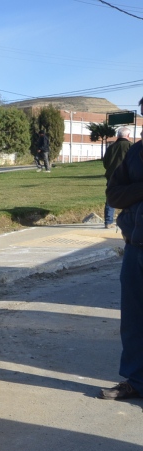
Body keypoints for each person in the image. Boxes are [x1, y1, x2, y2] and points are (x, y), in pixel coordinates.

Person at [102, 99, 143, 401]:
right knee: (133, 319)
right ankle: (136, 381)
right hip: (136, 246)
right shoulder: (136, 153)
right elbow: (114, 194)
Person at [104, 127, 133, 227]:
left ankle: (108, 221)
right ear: (128, 136)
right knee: (129, 199)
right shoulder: (130, 146)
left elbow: (105, 163)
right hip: (126, 177)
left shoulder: (110, 147)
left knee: (110, 199)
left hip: (111, 177)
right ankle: (127, 221)